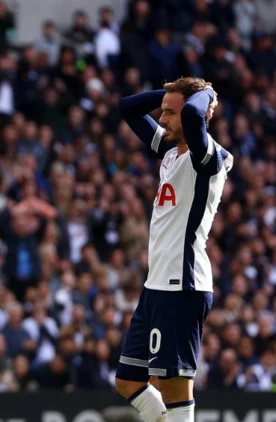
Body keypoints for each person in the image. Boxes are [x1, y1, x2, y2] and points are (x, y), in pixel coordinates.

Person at [114, 77, 234, 422]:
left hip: (183, 285)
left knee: (175, 387)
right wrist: (169, 97)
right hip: (157, 286)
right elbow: (128, 107)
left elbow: (195, 119)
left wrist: (206, 94)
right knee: (128, 381)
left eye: (169, 113)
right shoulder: (170, 150)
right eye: (162, 111)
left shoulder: (208, 158)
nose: (162, 119)